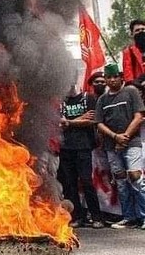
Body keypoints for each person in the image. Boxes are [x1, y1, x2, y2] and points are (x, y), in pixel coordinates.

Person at [94, 63, 145, 229]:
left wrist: (125, 137)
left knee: (136, 177)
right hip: (112, 146)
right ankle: (129, 217)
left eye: (115, 76)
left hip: (132, 144)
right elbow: (99, 123)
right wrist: (115, 137)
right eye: (109, 77)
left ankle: (143, 216)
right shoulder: (102, 99)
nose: (112, 80)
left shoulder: (130, 92)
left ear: (121, 77)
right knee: (121, 182)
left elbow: (138, 117)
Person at [58, 83, 104, 228]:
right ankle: (77, 216)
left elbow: (91, 120)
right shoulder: (61, 102)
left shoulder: (88, 98)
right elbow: (59, 123)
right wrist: (78, 120)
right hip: (65, 147)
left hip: (83, 147)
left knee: (86, 181)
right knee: (70, 184)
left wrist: (69, 122)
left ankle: (96, 216)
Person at [120, 19, 145, 83]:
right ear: (132, 34)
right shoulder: (128, 52)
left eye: (143, 29)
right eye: (137, 30)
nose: (141, 32)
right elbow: (128, 77)